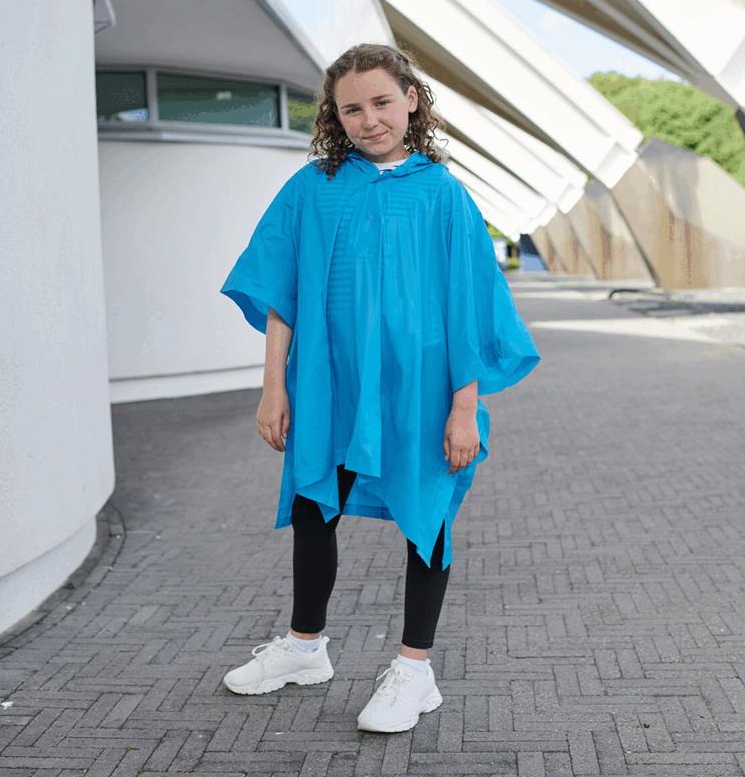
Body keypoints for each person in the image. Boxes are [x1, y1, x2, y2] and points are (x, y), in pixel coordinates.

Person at [219, 43, 540, 733]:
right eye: (352, 109)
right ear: (334, 117)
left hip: (422, 389)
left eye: (383, 102)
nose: (370, 120)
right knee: (314, 506)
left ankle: (414, 672)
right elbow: (279, 294)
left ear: (412, 100)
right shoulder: (312, 188)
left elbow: (469, 305)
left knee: (427, 517)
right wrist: (273, 387)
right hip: (330, 383)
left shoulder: (444, 195)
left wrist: (463, 406)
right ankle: (305, 648)